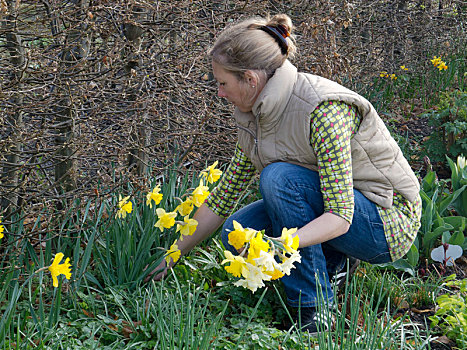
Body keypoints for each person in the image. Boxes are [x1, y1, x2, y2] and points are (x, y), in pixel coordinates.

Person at [147, 14, 422, 334]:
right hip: (339, 208)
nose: (219, 93)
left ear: (250, 79)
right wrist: (172, 254)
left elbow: (341, 215)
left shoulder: (321, 110)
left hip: (385, 221)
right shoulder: (254, 115)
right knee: (238, 231)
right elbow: (225, 196)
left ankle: (316, 310)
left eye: (222, 83)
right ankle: (332, 263)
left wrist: (279, 245)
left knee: (278, 179)